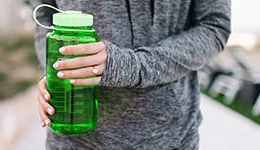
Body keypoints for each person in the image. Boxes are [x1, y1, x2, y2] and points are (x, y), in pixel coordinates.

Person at [30, 0, 231, 149]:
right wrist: (53, 71)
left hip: (167, 136)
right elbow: (43, 15)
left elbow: (214, 27)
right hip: (73, 139)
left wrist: (126, 66)